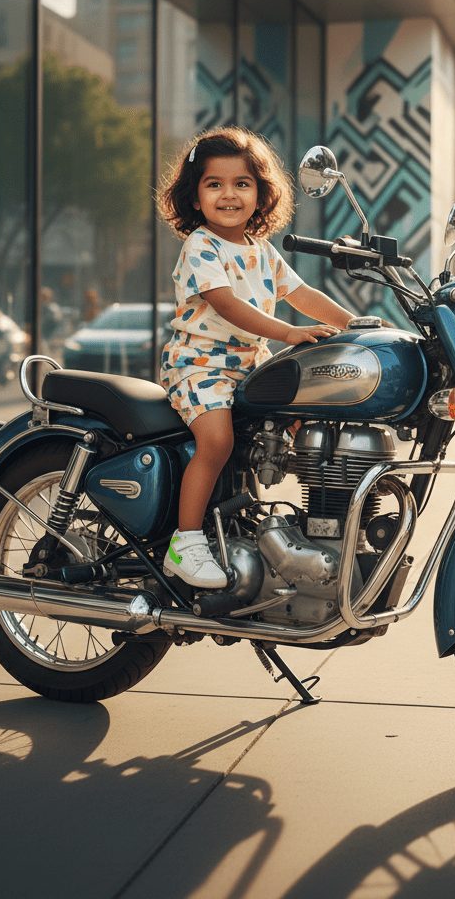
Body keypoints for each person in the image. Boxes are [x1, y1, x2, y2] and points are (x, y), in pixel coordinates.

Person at [158, 127, 359, 588]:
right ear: (194, 197)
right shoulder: (201, 247)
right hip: (200, 365)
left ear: (261, 193)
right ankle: (185, 543)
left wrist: (357, 325)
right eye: (215, 184)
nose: (229, 194)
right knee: (217, 443)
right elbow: (226, 303)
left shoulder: (261, 250)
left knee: (307, 421)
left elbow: (303, 293)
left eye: (241, 184)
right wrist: (289, 331)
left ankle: (298, 530)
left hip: (249, 367)